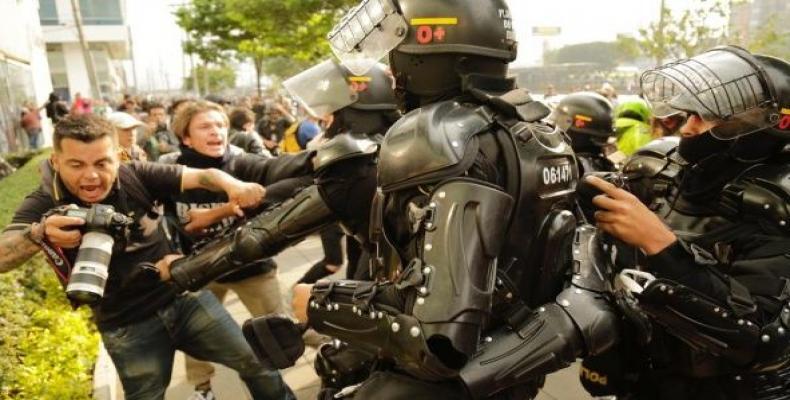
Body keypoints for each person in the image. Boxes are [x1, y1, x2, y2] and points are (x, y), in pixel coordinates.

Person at [166, 1, 618, 398]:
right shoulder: (542, 134)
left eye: (398, 49)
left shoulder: (441, 134)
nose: (394, 65)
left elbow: (436, 341)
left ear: (428, 43)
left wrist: (320, 302)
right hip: (510, 368)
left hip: (437, 381)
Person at [0, 114, 294, 400]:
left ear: (119, 156)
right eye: (76, 164)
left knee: (258, 363)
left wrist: (235, 186)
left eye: (102, 163)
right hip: (124, 324)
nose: (90, 175)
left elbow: (204, 176)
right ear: (56, 161)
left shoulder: (135, 174)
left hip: (183, 298)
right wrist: (39, 234)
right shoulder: (44, 201)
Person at [581, 46, 790, 399]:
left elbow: (757, 340)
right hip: (646, 379)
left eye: (707, 118)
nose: (688, 128)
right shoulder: (659, 169)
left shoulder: (775, 204)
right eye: (690, 113)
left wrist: (663, 247)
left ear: (756, 127)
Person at [158, 100, 313, 399]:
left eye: (221, 125)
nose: (216, 132)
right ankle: (202, 390)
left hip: (252, 268)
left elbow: (292, 176)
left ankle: (327, 355)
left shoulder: (243, 164)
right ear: (185, 137)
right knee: (193, 332)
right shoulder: (170, 172)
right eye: (205, 126)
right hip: (201, 270)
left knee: (281, 326)